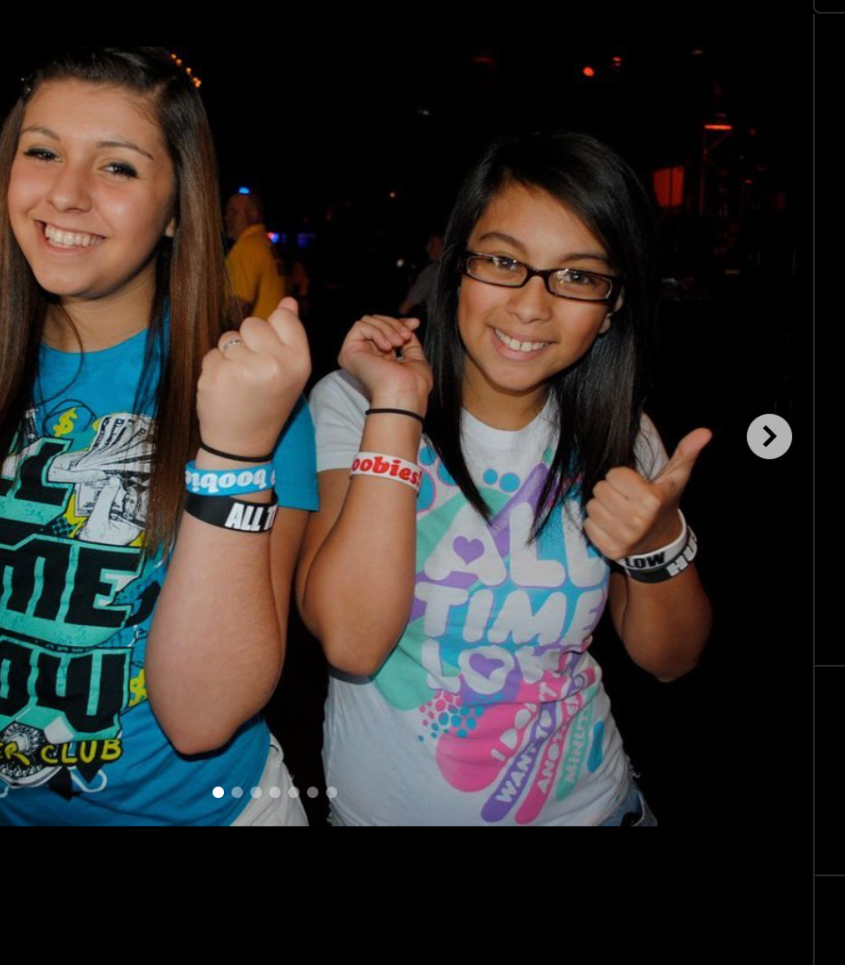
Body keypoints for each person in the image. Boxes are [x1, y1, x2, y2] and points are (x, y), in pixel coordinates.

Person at [0, 48, 318, 825]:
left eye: (117, 167)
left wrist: (235, 453)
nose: (65, 194)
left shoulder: (247, 393)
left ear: (178, 207)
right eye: (41, 152)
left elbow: (204, 715)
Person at [300, 132, 712, 826]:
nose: (530, 304)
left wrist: (661, 539)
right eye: (503, 261)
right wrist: (399, 406)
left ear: (612, 305)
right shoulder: (356, 400)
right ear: (456, 266)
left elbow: (670, 660)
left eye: (578, 276)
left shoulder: (619, 430)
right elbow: (350, 639)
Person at [224, 190, 286, 320]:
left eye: (234, 212)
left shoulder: (247, 246)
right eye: (227, 211)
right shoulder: (265, 243)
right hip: (273, 331)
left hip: (254, 336)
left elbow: (238, 308)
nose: (227, 217)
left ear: (253, 215)